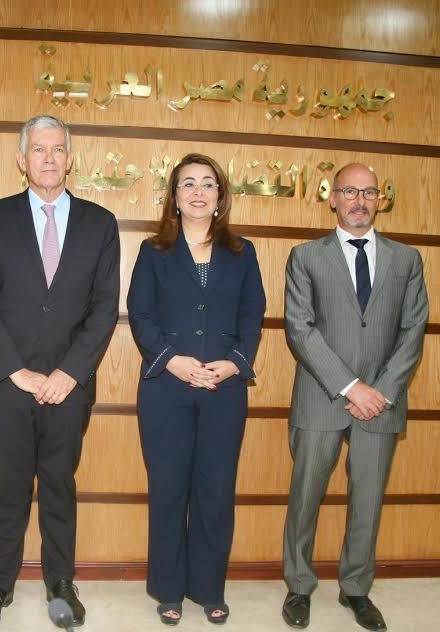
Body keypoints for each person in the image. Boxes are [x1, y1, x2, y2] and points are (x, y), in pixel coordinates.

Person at [0, 115, 120, 629]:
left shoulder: (101, 223)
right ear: (22, 159)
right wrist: (17, 371)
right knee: (10, 485)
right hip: (8, 384)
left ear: (70, 159)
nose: (48, 158)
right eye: (38, 149)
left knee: (58, 485)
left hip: (69, 385)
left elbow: (104, 307)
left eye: (57, 149)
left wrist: (69, 373)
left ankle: (61, 583)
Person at [281, 163, 429, 631]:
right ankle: (299, 586)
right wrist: (352, 386)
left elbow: (413, 330)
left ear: (380, 199)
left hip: (381, 402)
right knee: (305, 496)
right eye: (350, 191)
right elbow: (300, 329)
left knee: (368, 499)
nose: (359, 201)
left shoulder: (407, 260)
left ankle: (356, 588)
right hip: (321, 397)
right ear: (333, 198)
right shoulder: (306, 256)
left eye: (368, 192)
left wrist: (380, 391)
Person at [127, 153, 266, 626]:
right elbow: (141, 314)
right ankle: (168, 588)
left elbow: (252, 313)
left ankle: (208, 588)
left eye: (208, 183)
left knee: (216, 490)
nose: (198, 191)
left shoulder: (242, 252)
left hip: (224, 390)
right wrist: (174, 361)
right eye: (188, 183)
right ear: (174, 197)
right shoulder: (154, 252)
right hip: (166, 388)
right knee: (168, 489)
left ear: (220, 196)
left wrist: (233, 365)